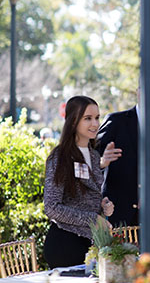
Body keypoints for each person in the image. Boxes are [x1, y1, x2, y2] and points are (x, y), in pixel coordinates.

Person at [43, 96, 116, 268]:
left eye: (97, 117)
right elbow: (51, 207)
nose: (95, 124)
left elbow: (85, 197)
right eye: (88, 118)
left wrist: (103, 206)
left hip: (91, 244)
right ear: (73, 121)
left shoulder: (94, 155)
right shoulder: (60, 157)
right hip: (65, 245)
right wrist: (93, 219)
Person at [96, 92, 139, 227]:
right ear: (138, 92)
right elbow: (89, 159)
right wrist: (102, 161)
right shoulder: (116, 121)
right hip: (117, 213)